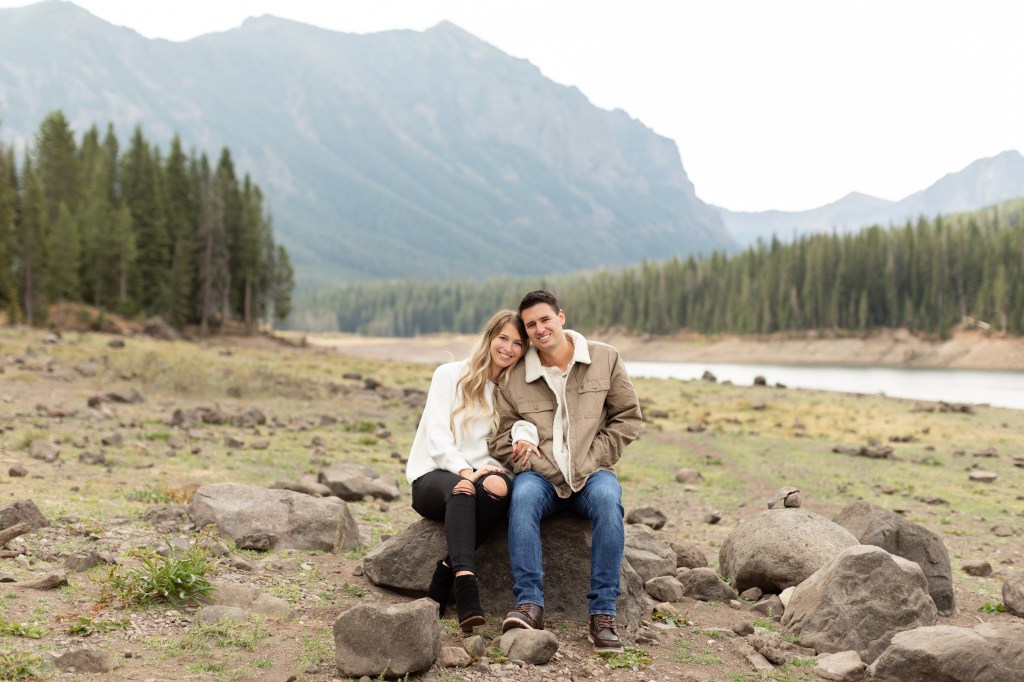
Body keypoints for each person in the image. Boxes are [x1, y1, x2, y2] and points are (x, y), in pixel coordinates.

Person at [488, 290, 642, 653]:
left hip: (592, 473)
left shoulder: (605, 357)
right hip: (539, 476)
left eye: (545, 319)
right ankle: (529, 604)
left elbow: (628, 418)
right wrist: (537, 463)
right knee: (522, 497)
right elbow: (498, 439)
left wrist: (590, 461)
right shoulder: (514, 376)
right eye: (531, 325)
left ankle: (603, 614)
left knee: (608, 501)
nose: (540, 329)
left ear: (561, 317)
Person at [405, 309, 532, 632]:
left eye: (518, 343)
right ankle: (465, 584)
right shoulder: (449, 374)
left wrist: (522, 438)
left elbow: (521, 427)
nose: (508, 348)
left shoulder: (513, 390)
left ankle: (444, 573)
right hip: (434, 473)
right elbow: (437, 437)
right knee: (463, 489)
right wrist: (464, 471)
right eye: (503, 338)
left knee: (501, 487)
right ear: (489, 337)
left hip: (481, 473)